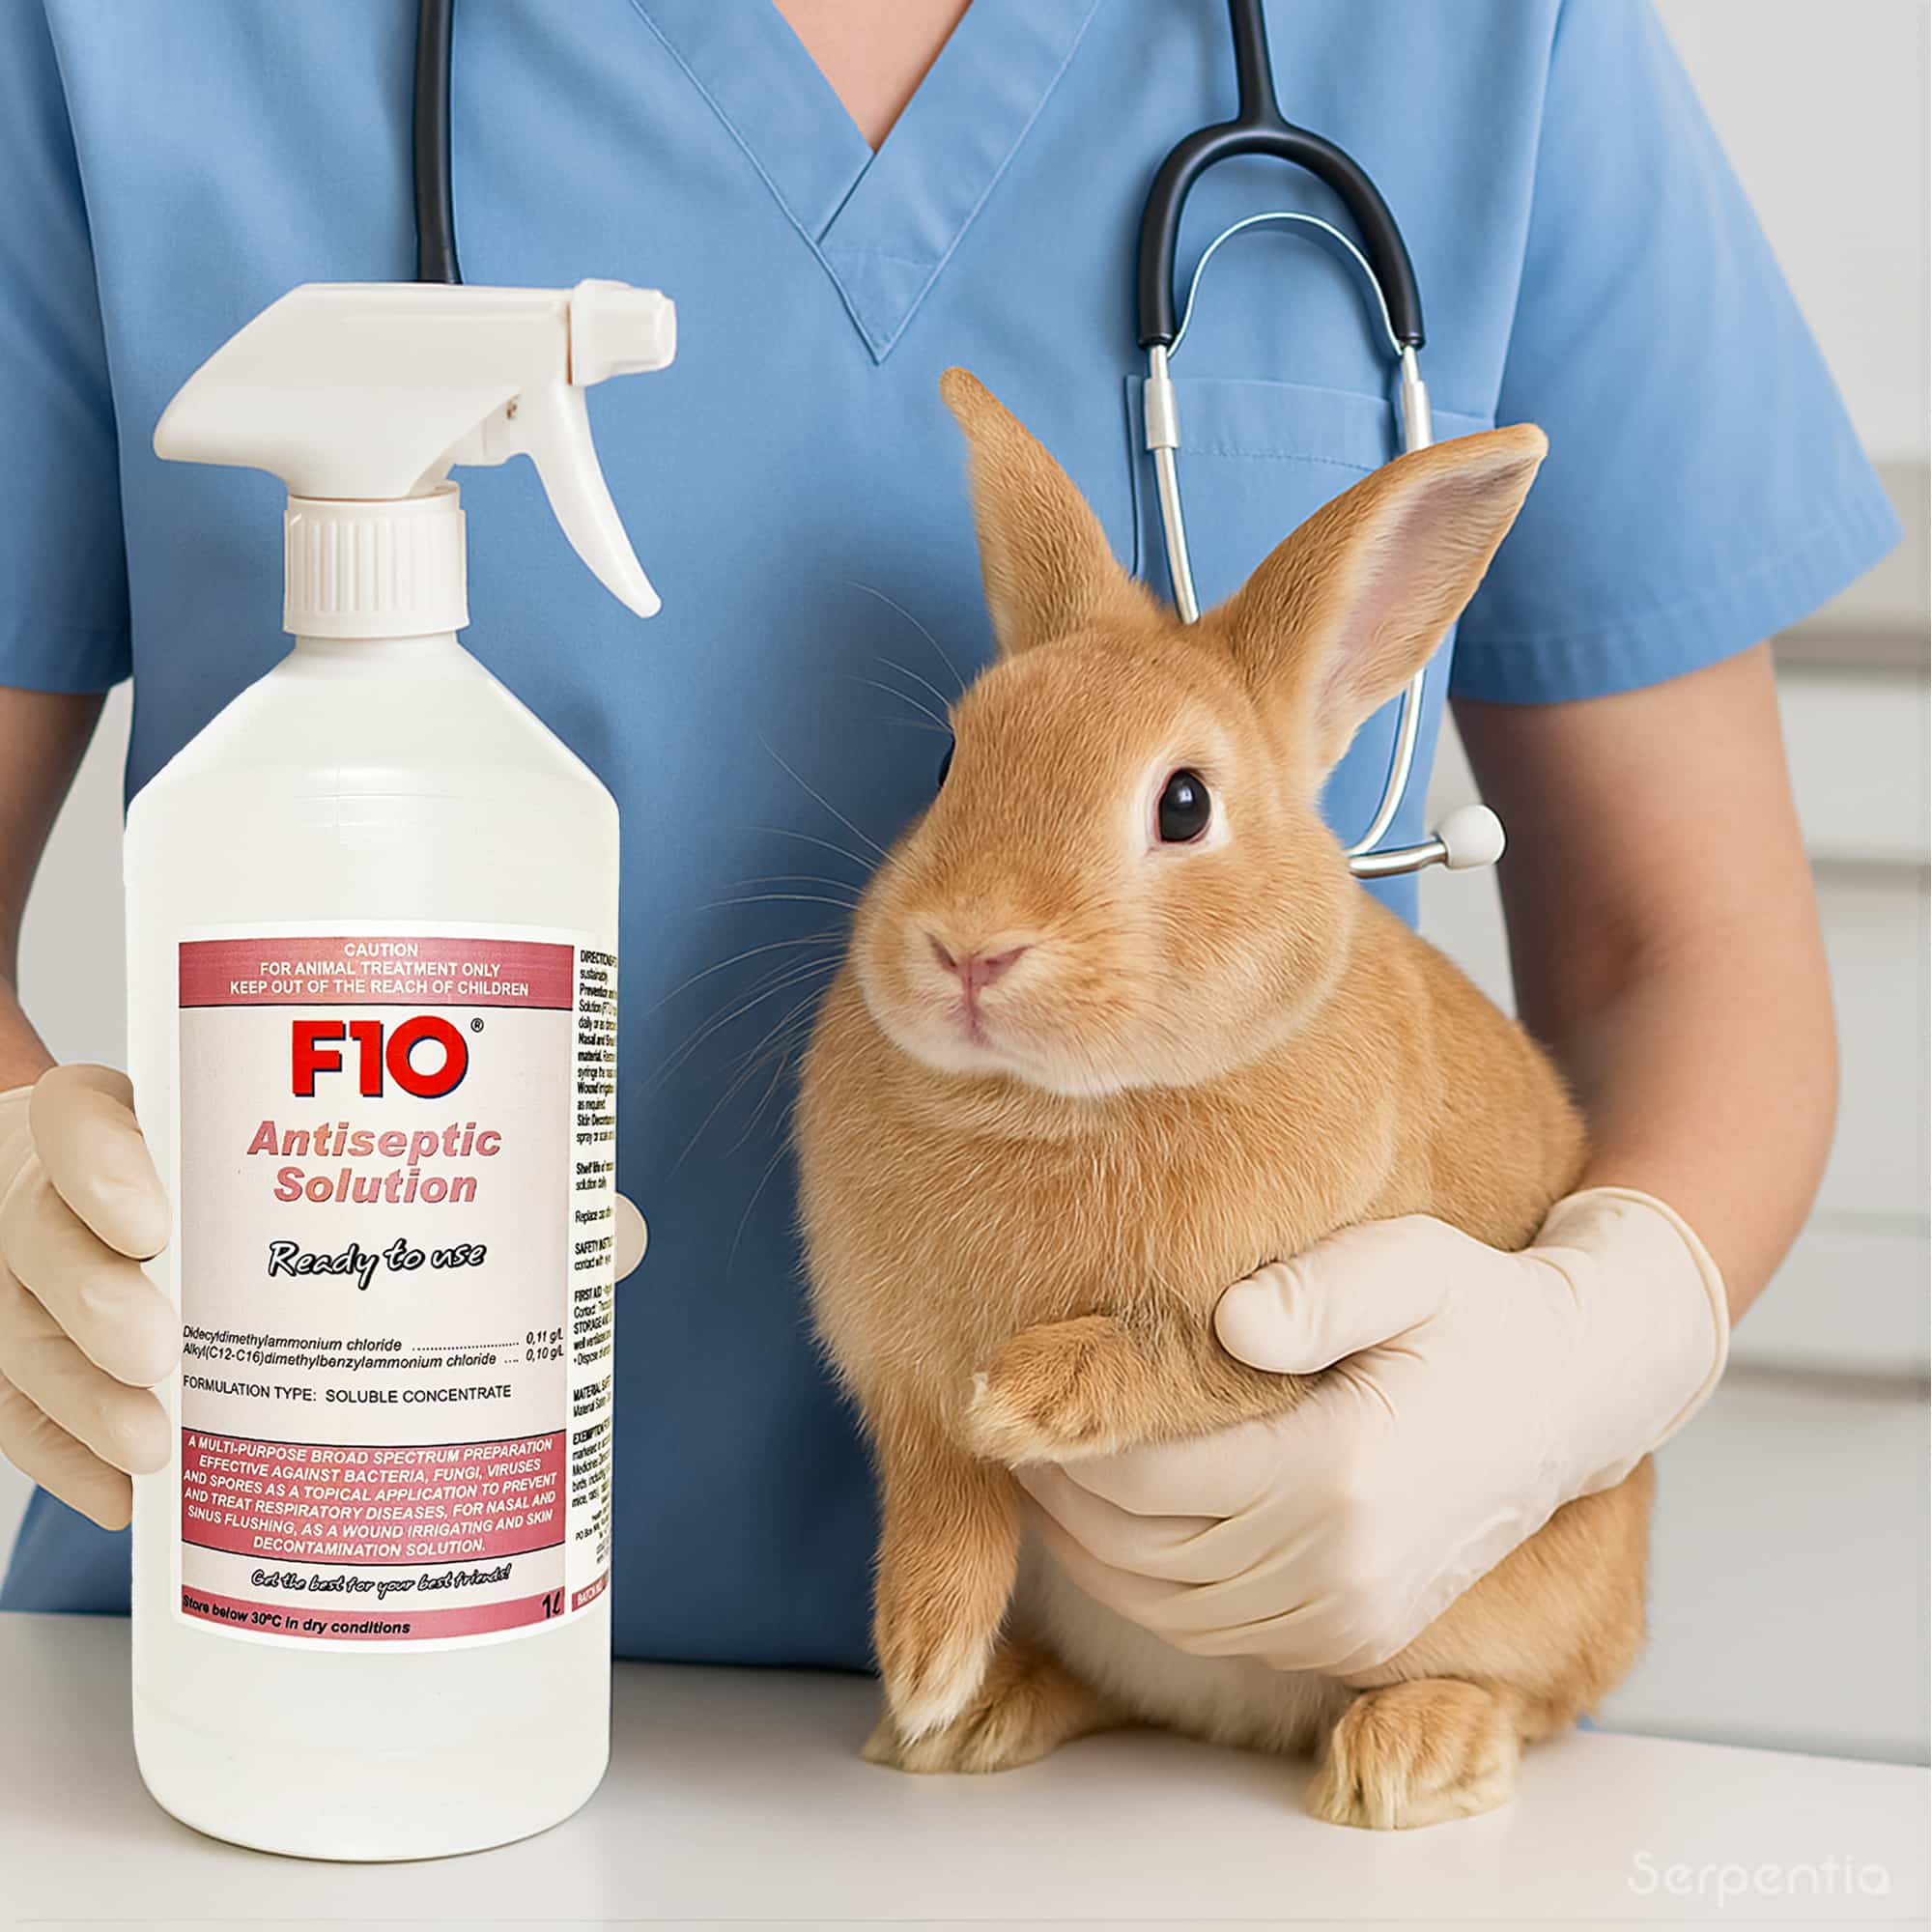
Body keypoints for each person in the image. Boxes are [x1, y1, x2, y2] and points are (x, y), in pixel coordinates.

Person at [0, 0, 1895, 1683]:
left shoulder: (1485, 32)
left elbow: (1682, 954)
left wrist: (1591, 1337)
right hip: (289, 1663)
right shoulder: (128, 35)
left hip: (1181, 1743)